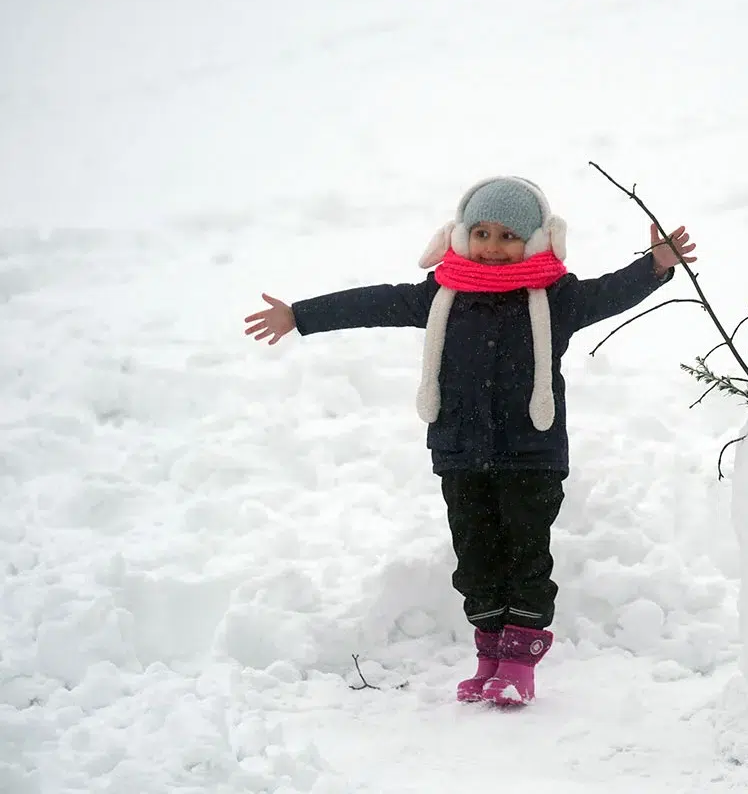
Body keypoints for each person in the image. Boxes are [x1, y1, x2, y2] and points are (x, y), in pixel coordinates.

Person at [243, 176, 696, 705]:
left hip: (533, 455)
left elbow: (610, 292)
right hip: (460, 453)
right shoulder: (443, 296)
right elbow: (373, 304)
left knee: (527, 556)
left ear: (533, 240)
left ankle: (519, 664)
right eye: (481, 232)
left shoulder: (555, 298)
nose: (493, 246)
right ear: (461, 235)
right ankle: (489, 656)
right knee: (475, 557)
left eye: (508, 235)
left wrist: (655, 265)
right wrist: (301, 315)